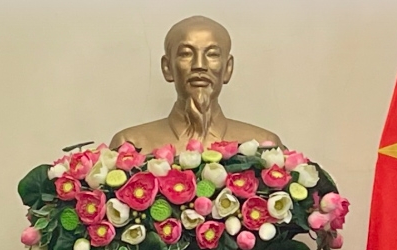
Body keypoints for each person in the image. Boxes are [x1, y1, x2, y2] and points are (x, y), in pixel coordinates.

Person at [109, 15, 281, 151]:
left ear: (228, 68)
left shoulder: (264, 146)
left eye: (212, 54)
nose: (199, 65)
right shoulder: (131, 145)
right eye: (186, 54)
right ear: (167, 67)